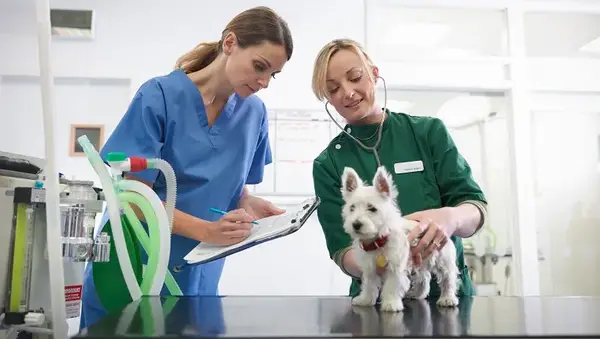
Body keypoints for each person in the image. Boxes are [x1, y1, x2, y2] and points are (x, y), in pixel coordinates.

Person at [80, 6, 293, 329]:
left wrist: (251, 207)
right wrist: (208, 230)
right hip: (134, 264)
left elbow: (236, 191)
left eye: (272, 74)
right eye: (259, 67)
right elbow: (134, 201)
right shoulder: (160, 96)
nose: (264, 82)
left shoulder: (254, 115)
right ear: (230, 43)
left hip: (198, 272)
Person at [310, 38, 488, 299]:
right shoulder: (328, 164)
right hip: (378, 302)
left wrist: (451, 218)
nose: (347, 92)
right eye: (334, 88)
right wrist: (386, 261)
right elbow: (342, 250)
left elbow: (475, 207)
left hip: (447, 300)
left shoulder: (428, 132)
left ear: (374, 73)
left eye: (355, 76)